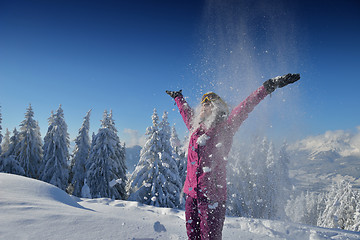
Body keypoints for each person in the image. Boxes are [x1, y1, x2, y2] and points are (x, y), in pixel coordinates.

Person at [166, 73, 300, 240]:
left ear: (215, 108)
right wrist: (179, 97)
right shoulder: (195, 128)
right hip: (191, 195)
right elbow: (186, 113)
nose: (202, 107)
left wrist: (268, 86)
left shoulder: (226, 129)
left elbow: (247, 105)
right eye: (202, 104)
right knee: (192, 237)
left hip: (212, 199)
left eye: (206, 104)